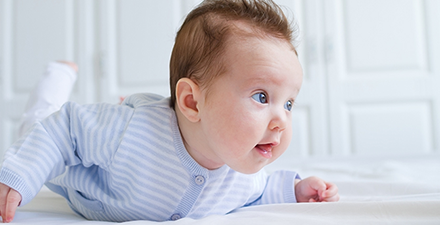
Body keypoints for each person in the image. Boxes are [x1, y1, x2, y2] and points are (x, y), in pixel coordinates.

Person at [0, 0, 339, 223]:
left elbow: (261, 190)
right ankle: (57, 76)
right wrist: (20, 176)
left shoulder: (242, 169)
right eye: (262, 96)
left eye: (289, 103)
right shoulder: (131, 132)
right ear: (192, 102)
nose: (281, 120)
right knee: (39, 121)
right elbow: (63, 131)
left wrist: (295, 189)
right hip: (78, 172)